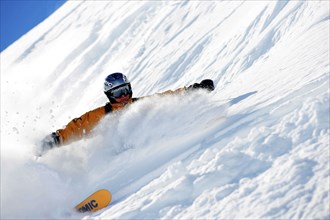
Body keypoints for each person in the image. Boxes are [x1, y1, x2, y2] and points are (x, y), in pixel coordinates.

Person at [39, 72, 214, 156]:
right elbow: (78, 126)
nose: (123, 97)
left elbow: (167, 98)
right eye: (117, 93)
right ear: (109, 96)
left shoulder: (141, 104)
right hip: (117, 156)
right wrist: (56, 139)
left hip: (150, 150)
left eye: (125, 91)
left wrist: (193, 90)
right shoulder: (101, 114)